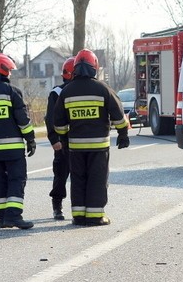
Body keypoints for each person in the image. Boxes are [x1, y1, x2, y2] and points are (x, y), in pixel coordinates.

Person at [53, 49, 129, 226]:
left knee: (78, 179)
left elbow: (59, 122)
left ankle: (79, 216)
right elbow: (118, 114)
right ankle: (95, 216)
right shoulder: (102, 89)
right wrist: (123, 134)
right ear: (94, 67)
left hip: (75, 148)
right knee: (97, 179)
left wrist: (64, 139)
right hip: (98, 147)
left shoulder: (67, 91)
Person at [0, 53, 36, 229]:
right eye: (9, 70)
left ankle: (2, 218)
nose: (10, 73)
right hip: (14, 148)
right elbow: (22, 119)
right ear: (2, 70)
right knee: (17, 180)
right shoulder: (11, 91)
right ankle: (14, 216)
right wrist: (31, 139)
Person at [44, 57, 75, 220]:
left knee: (80, 176)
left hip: (80, 141)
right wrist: (54, 139)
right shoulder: (57, 93)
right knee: (61, 174)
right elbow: (50, 118)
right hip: (63, 142)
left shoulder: (83, 92)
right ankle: (57, 205)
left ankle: (79, 207)